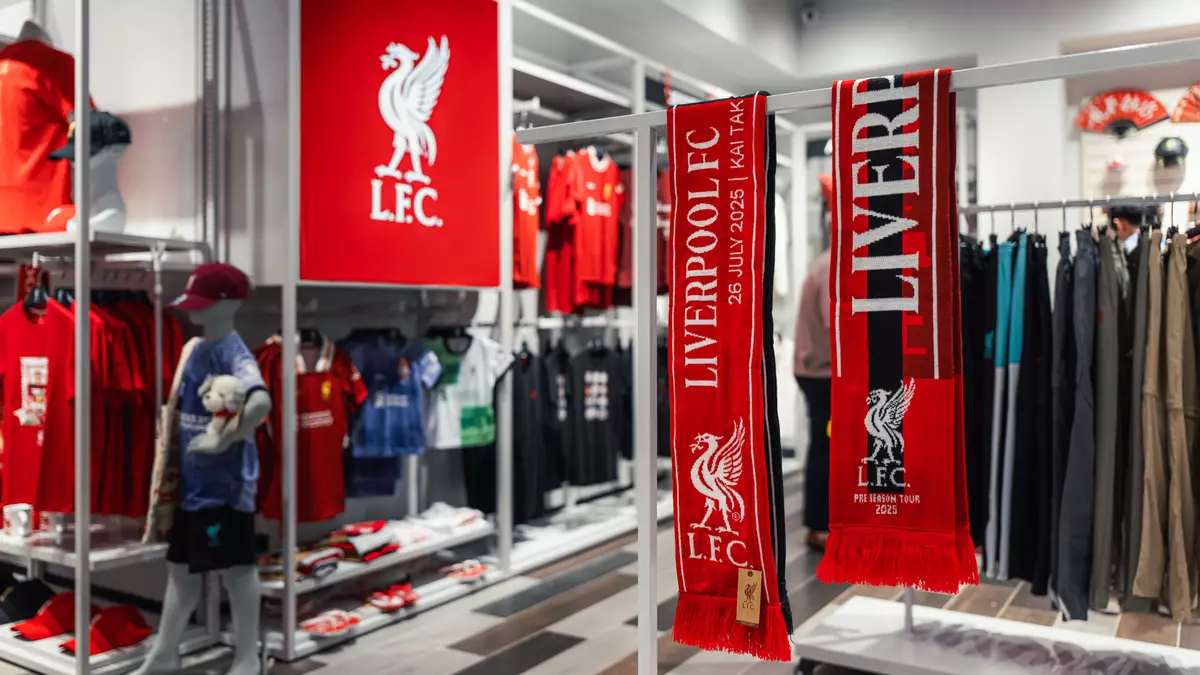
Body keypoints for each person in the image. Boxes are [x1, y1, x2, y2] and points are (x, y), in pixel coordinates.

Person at [794, 246, 832, 551]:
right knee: (826, 443)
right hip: (821, 373)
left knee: (827, 442)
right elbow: (837, 324)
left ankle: (823, 521)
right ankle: (819, 524)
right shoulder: (832, 267)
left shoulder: (829, 263)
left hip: (820, 370)